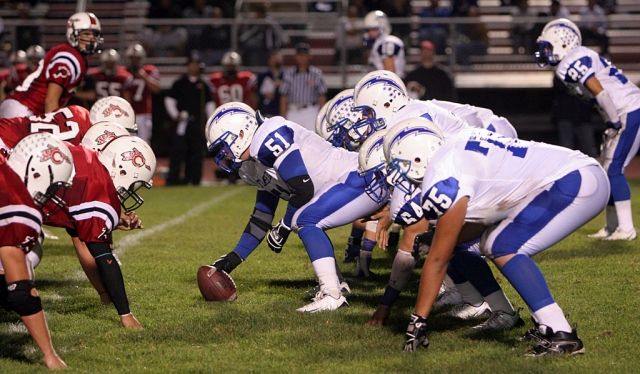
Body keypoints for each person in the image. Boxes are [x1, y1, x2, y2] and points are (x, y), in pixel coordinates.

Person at [385, 119, 608, 356]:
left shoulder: (442, 178)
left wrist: (418, 319)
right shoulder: (454, 148)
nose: (399, 173)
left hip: (573, 180)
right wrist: (437, 239)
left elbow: (439, 259)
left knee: (501, 245)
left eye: (399, 163)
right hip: (577, 172)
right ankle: (548, 326)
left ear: (417, 157)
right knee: (494, 240)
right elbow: (480, 224)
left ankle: (561, 335)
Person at [204, 102, 384, 312]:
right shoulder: (253, 163)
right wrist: (232, 259)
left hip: (361, 175)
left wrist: (284, 226)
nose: (223, 154)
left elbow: (303, 188)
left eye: (224, 145)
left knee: (304, 220)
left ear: (242, 133)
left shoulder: (267, 136)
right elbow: (262, 215)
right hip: (350, 181)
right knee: (305, 218)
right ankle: (337, 285)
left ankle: (332, 294)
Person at [535, 18, 640, 240]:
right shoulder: (578, 56)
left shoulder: (569, 62)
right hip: (627, 108)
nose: (544, 51)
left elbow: (599, 91)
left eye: (547, 46)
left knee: (613, 169)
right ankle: (612, 227)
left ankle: (627, 229)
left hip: (628, 110)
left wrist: (613, 121)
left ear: (563, 42)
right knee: (608, 170)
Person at [42, 135, 155, 329]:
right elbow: (103, 256)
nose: (131, 191)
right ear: (122, 170)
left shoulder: (88, 157)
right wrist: (125, 314)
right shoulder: (95, 185)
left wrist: (115, 220)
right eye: (135, 185)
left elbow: (77, 215)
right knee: (25, 254)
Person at [0, 133, 73, 369]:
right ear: (36, 173)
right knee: (25, 259)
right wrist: (49, 355)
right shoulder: (14, 201)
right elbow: (20, 290)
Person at [0, 12, 102, 118]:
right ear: (72, 33)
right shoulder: (69, 57)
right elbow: (51, 100)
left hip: (26, 109)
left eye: (94, 34)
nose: (91, 39)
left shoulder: (77, 56)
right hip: (24, 109)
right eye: (86, 34)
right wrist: (53, 126)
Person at [164, 54, 215, 186]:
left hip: (198, 124)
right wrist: (176, 115)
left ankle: (193, 179)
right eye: (192, 64)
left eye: (197, 64)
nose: (194, 67)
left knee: (196, 153)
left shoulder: (204, 85)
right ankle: (173, 179)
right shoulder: (179, 83)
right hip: (182, 123)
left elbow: (209, 104)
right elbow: (169, 100)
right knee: (178, 152)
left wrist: (210, 120)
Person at [279, 43, 328, 131]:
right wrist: (283, 116)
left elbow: (322, 96)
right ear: (295, 57)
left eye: (304, 55)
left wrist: (322, 116)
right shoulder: (289, 74)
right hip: (293, 111)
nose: (302, 58)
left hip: (311, 111)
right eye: (299, 55)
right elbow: (283, 96)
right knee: (292, 139)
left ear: (309, 57)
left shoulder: (316, 74)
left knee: (312, 139)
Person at [551, 75, 598, 158]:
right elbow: (558, 88)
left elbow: (592, 91)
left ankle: (592, 170)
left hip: (583, 117)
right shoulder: (561, 72)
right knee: (566, 151)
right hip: (565, 117)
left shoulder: (584, 73)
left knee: (590, 150)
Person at [123, 43, 160, 145]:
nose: (134, 61)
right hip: (126, 114)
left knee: (144, 144)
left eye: (137, 58)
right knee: (127, 143)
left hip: (143, 113)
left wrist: (143, 76)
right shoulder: (123, 72)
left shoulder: (148, 70)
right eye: (132, 58)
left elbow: (156, 89)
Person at [362, 10, 406, 78]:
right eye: (368, 30)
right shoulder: (378, 44)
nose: (370, 33)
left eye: (374, 30)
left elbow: (390, 73)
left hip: (387, 86)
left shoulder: (386, 43)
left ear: (383, 28)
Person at [254, 50, 285, 118]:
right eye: (274, 58)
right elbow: (256, 93)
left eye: (278, 58)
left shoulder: (286, 75)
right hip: (266, 110)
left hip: (281, 110)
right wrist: (264, 95)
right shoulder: (262, 75)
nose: (276, 61)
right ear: (269, 60)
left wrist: (281, 86)